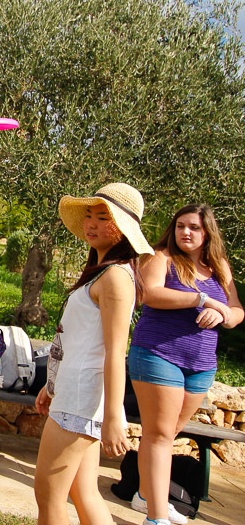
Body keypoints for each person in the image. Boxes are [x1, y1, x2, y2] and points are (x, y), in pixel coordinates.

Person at [34, 182, 154, 525]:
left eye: (104, 217)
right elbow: (80, 342)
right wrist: (51, 385)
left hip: (81, 401)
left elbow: (116, 352)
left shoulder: (115, 277)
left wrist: (114, 417)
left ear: (123, 227)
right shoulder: (102, 274)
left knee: (49, 497)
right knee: (83, 493)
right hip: (74, 394)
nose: (91, 224)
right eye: (89, 215)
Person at [129, 204, 243, 525]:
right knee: (160, 435)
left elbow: (236, 310)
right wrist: (201, 299)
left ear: (207, 232)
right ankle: (156, 517)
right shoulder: (162, 257)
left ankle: (144, 496)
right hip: (158, 355)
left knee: (166, 434)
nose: (185, 232)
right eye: (180, 226)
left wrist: (223, 313)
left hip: (202, 365)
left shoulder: (219, 266)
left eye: (193, 227)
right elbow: (149, 294)